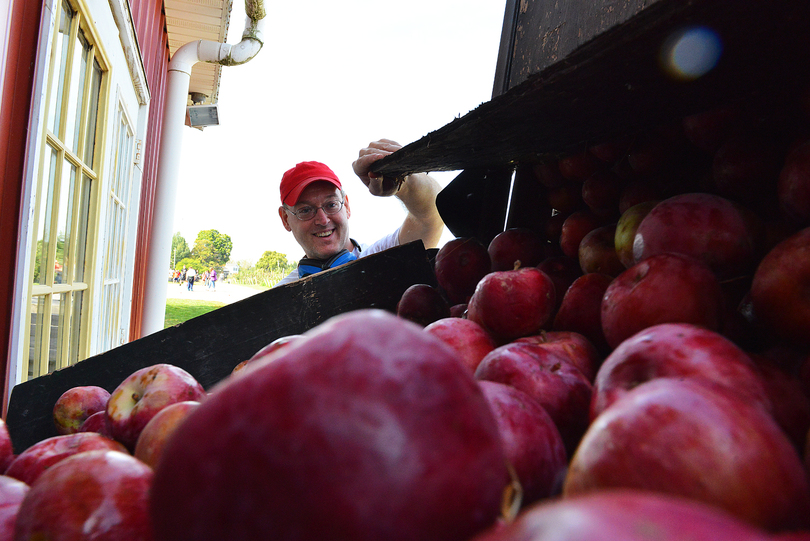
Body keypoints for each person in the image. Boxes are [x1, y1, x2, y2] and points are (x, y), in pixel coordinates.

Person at [274, 139, 444, 287]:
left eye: (331, 204)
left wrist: (404, 181)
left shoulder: (386, 257)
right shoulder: (276, 301)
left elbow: (431, 214)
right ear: (285, 219)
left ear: (346, 206)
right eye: (305, 210)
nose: (323, 219)